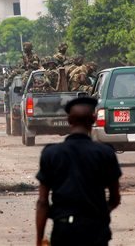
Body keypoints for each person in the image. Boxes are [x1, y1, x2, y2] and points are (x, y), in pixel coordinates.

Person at [36, 96, 122, 246]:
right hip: (95, 231)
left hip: (64, 230)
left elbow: (43, 202)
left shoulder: (51, 154)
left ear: (69, 121)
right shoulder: (105, 153)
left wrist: (39, 240)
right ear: (93, 119)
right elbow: (115, 199)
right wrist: (99, 214)